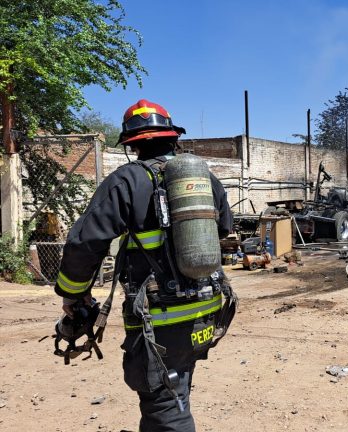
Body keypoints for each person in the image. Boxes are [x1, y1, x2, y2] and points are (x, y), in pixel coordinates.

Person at [54, 99, 234, 431]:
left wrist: (72, 294)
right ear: (172, 137)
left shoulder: (126, 181)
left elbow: (84, 244)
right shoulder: (205, 179)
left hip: (161, 319)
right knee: (176, 386)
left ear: (132, 145)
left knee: (164, 404)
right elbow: (223, 228)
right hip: (207, 310)